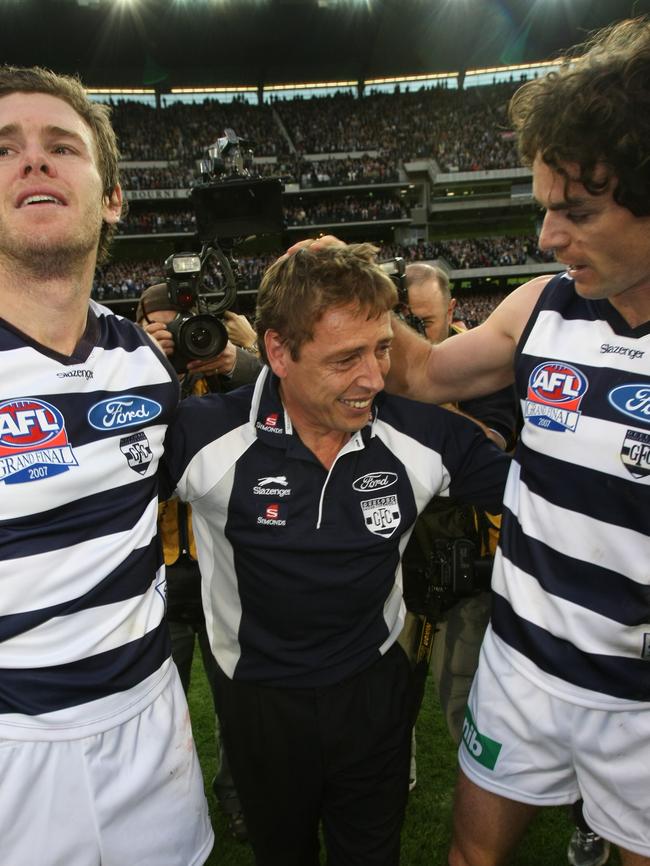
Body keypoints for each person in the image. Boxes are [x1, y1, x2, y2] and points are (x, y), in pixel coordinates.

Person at [374, 17, 650, 866]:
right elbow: (421, 374)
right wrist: (354, 289)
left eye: (580, 210)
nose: (548, 237)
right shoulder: (543, 306)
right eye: (544, 209)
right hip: (522, 662)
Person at [161, 243, 510, 866]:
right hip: (259, 703)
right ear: (277, 351)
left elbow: (547, 492)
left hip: (373, 693)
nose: (374, 378)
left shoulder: (422, 435)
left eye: (381, 350)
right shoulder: (201, 435)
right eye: (346, 357)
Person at [0, 67, 213, 865]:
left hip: (148, 724)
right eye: (5, 147)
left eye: (62, 146)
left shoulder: (142, 364)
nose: (34, 162)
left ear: (113, 196)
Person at [136, 282, 260, 843]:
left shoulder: (225, 369)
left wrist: (239, 359)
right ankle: (162, 810)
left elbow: (281, 394)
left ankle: (237, 800)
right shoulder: (130, 382)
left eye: (182, 325)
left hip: (221, 568)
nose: (180, 337)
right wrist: (150, 369)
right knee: (157, 710)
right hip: (155, 573)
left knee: (236, 698)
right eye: (160, 325)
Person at [399, 264, 516, 778]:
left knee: (466, 700)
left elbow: (489, 446)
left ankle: (496, 792)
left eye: (421, 323)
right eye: (401, 320)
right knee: (385, 694)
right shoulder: (372, 367)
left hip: (468, 564)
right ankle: (391, 779)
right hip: (398, 560)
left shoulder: (483, 368)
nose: (407, 336)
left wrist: (415, 396)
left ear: (451, 312)